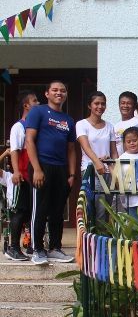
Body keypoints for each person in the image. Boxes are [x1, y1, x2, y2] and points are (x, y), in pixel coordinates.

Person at [26, 80, 77, 265]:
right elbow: (29, 141)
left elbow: (71, 149)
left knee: (57, 211)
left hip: (61, 170)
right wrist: (37, 169)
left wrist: (71, 175)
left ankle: (55, 247)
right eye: (55, 90)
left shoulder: (68, 120)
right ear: (47, 93)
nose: (59, 93)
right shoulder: (38, 112)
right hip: (42, 166)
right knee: (40, 210)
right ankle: (37, 249)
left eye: (62, 90)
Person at [4, 91, 39, 261]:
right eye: (35, 100)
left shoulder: (37, 126)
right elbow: (15, 151)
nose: (38, 102)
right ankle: (13, 247)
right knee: (20, 211)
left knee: (32, 212)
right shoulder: (19, 126)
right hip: (23, 176)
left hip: (35, 177)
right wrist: (16, 171)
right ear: (26, 105)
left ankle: (32, 246)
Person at [76, 92, 119, 175]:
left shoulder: (110, 126)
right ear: (89, 106)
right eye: (96, 103)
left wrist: (116, 169)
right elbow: (86, 147)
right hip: (89, 169)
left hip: (108, 171)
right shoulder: (81, 124)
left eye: (103, 104)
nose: (100, 106)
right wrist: (97, 162)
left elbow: (114, 152)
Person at [117, 127, 138, 215]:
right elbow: (118, 178)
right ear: (124, 143)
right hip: (132, 199)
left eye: (134, 140)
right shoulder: (122, 158)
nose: (132, 143)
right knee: (134, 224)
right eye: (128, 142)